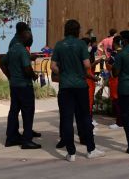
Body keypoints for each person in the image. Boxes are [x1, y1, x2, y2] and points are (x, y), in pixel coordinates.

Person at [51, 19, 105, 161]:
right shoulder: (81, 44)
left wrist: (63, 72)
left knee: (67, 119)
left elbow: (53, 67)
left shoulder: (59, 45)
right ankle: (90, 149)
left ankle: (71, 153)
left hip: (65, 87)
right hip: (80, 86)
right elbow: (87, 65)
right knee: (85, 117)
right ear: (77, 30)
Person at [4, 22, 41, 149]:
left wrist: (11, 76)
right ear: (23, 33)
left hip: (14, 85)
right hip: (24, 85)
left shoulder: (13, 47)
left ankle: (11, 137)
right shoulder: (20, 48)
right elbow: (26, 68)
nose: (30, 35)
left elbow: (4, 64)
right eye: (28, 32)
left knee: (14, 110)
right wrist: (33, 75)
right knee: (28, 111)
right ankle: (27, 139)